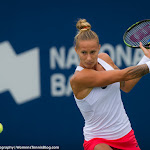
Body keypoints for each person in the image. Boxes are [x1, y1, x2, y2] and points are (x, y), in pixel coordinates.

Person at [70, 19, 150, 150]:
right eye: (84, 52)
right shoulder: (79, 78)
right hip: (97, 140)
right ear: (76, 50)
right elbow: (124, 74)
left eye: (93, 52)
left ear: (99, 48)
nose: (89, 58)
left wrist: (147, 58)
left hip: (125, 134)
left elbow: (126, 85)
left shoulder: (105, 59)